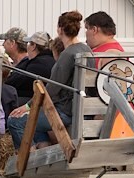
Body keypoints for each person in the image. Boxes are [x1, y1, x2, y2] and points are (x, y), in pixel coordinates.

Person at [6, 10, 90, 150]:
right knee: (37, 123)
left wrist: (27, 106)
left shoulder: (67, 55)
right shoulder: (86, 50)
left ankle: (28, 160)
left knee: (15, 121)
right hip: (82, 109)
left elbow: (51, 89)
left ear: (60, 29)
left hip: (64, 112)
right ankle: (43, 149)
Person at [5, 30, 55, 113]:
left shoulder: (37, 64)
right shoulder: (50, 60)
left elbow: (15, 82)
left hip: (35, 104)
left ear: (34, 46)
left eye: (29, 44)